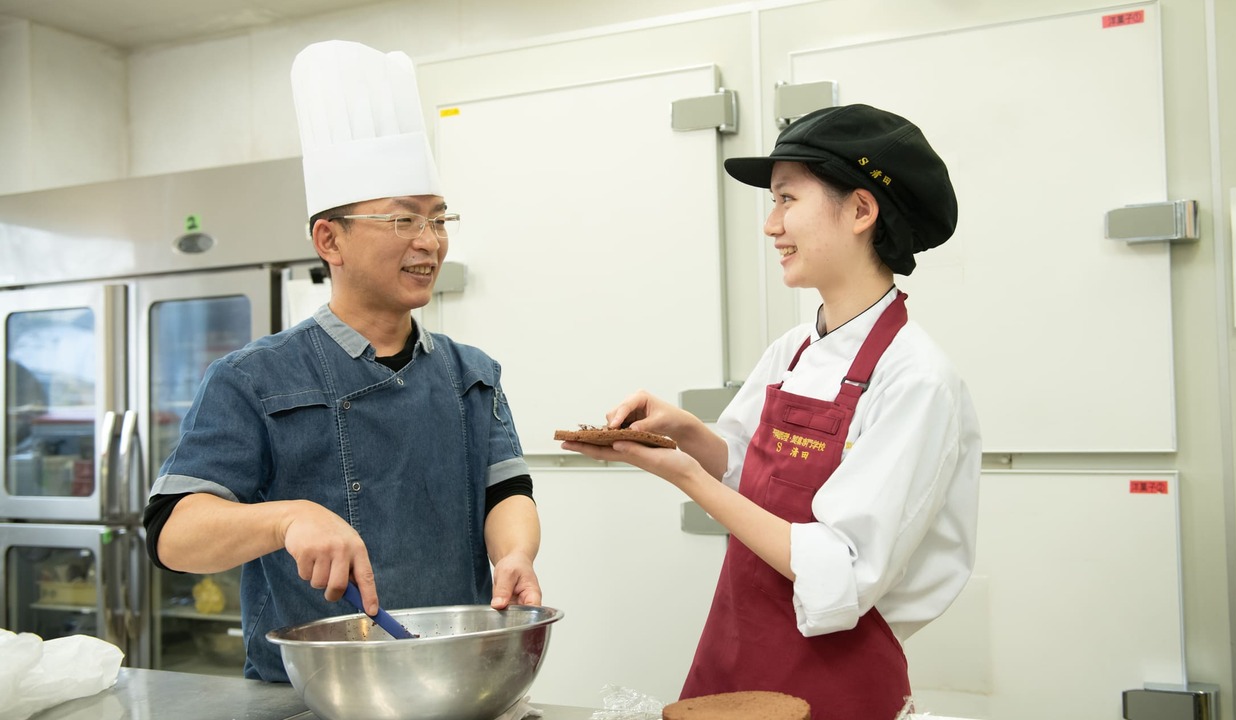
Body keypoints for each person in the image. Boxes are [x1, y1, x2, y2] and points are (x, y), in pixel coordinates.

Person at [560, 104, 980, 720]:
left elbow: (841, 574)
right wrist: (682, 432)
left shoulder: (916, 379)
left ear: (862, 211)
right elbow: (748, 474)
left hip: (835, 679)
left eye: (786, 199)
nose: (770, 225)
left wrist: (687, 480)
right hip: (735, 656)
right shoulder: (795, 348)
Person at [143, 40, 542, 682]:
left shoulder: (472, 372)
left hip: (451, 678)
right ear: (330, 240)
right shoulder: (253, 378)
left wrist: (515, 553)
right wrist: (287, 517)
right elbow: (173, 536)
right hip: (309, 693)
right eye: (402, 220)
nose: (429, 241)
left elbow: (507, 491)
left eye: (439, 219)